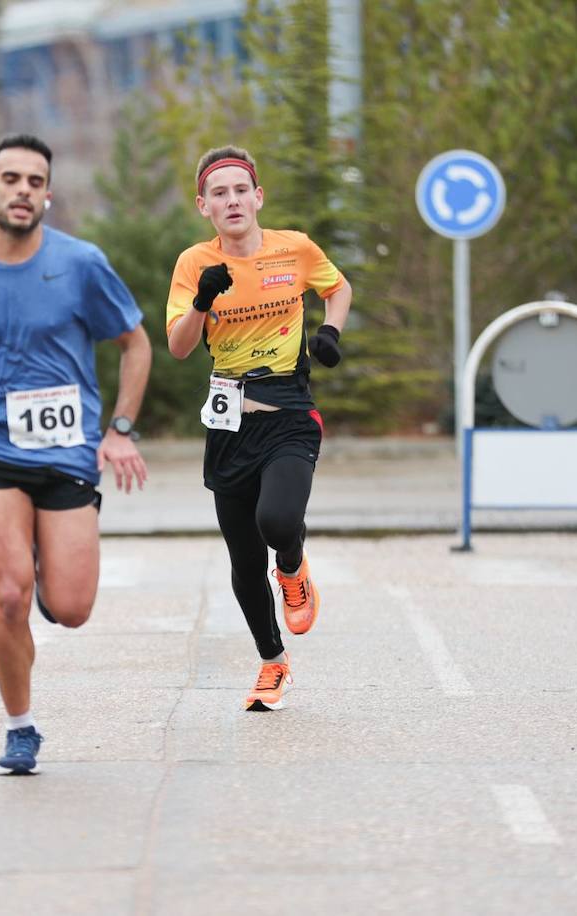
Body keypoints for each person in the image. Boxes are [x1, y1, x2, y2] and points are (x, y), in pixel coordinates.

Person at [0, 134, 151, 775]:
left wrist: (119, 429)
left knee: (70, 608)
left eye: (35, 182)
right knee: (9, 594)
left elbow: (136, 344)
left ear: (47, 195)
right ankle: (20, 727)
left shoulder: (82, 263)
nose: (22, 190)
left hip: (66, 451)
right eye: (10, 179)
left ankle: (46, 574)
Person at [165, 145, 352, 712]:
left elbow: (337, 288)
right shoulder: (194, 262)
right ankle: (272, 663)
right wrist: (202, 300)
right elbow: (178, 347)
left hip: (290, 414)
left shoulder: (293, 249)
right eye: (218, 194)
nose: (232, 201)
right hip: (227, 422)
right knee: (244, 560)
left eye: (240, 190)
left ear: (258, 197)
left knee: (277, 522)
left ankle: (293, 568)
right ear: (204, 206)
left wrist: (331, 332)